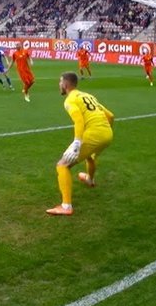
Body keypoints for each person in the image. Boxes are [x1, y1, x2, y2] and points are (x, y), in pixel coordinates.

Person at [46, 72, 114, 216]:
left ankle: (66, 206)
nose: (59, 85)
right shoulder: (88, 96)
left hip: (93, 134)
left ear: (65, 84)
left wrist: (77, 143)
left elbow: (79, 121)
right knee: (90, 156)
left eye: (60, 82)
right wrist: (104, 131)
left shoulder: (70, 100)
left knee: (62, 165)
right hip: (107, 134)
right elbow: (110, 115)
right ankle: (89, 180)